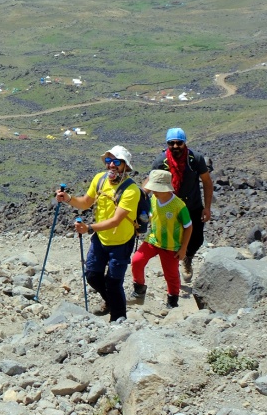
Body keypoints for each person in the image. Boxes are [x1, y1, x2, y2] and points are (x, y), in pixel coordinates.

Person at [56, 145, 141, 322]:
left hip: (121, 242)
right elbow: (86, 202)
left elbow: (116, 220)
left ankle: (118, 319)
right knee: (92, 275)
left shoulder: (131, 190)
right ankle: (111, 302)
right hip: (101, 238)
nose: (111, 165)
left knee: (113, 282)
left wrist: (89, 228)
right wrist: (69, 199)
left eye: (116, 162)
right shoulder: (99, 179)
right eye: (109, 161)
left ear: (125, 165)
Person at [152, 128, 214, 279]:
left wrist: (207, 207)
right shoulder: (162, 162)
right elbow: (152, 182)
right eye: (171, 143)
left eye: (179, 143)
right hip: (170, 207)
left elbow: (207, 182)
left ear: (185, 143)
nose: (175, 146)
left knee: (197, 238)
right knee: (172, 239)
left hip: (192, 206)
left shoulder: (195, 159)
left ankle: (187, 257)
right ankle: (172, 273)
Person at [130, 168, 192, 309]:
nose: (153, 192)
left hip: (171, 245)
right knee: (137, 260)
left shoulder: (179, 206)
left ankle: (172, 302)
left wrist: (183, 249)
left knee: (171, 275)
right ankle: (139, 290)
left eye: (156, 189)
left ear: (166, 189)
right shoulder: (153, 199)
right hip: (153, 240)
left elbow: (189, 227)